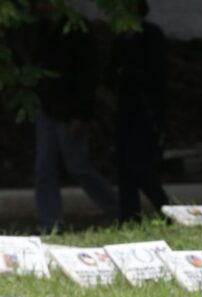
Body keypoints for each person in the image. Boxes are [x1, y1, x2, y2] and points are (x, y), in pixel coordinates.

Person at [33, 0, 117, 233]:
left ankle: (116, 208)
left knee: (77, 166)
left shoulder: (78, 30)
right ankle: (50, 222)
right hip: (48, 107)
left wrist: (80, 114)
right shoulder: (44, 29)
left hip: (70, 110)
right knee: (45, 168)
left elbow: (86, 76)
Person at [108, 0, 170, 222]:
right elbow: (110, 76)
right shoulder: (120, 39)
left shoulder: (151, 36)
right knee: (125, 168)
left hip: (146, 112)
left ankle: (167, 210)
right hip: (125, 111)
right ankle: (129, 216)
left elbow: (158, 77)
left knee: (140, 167)